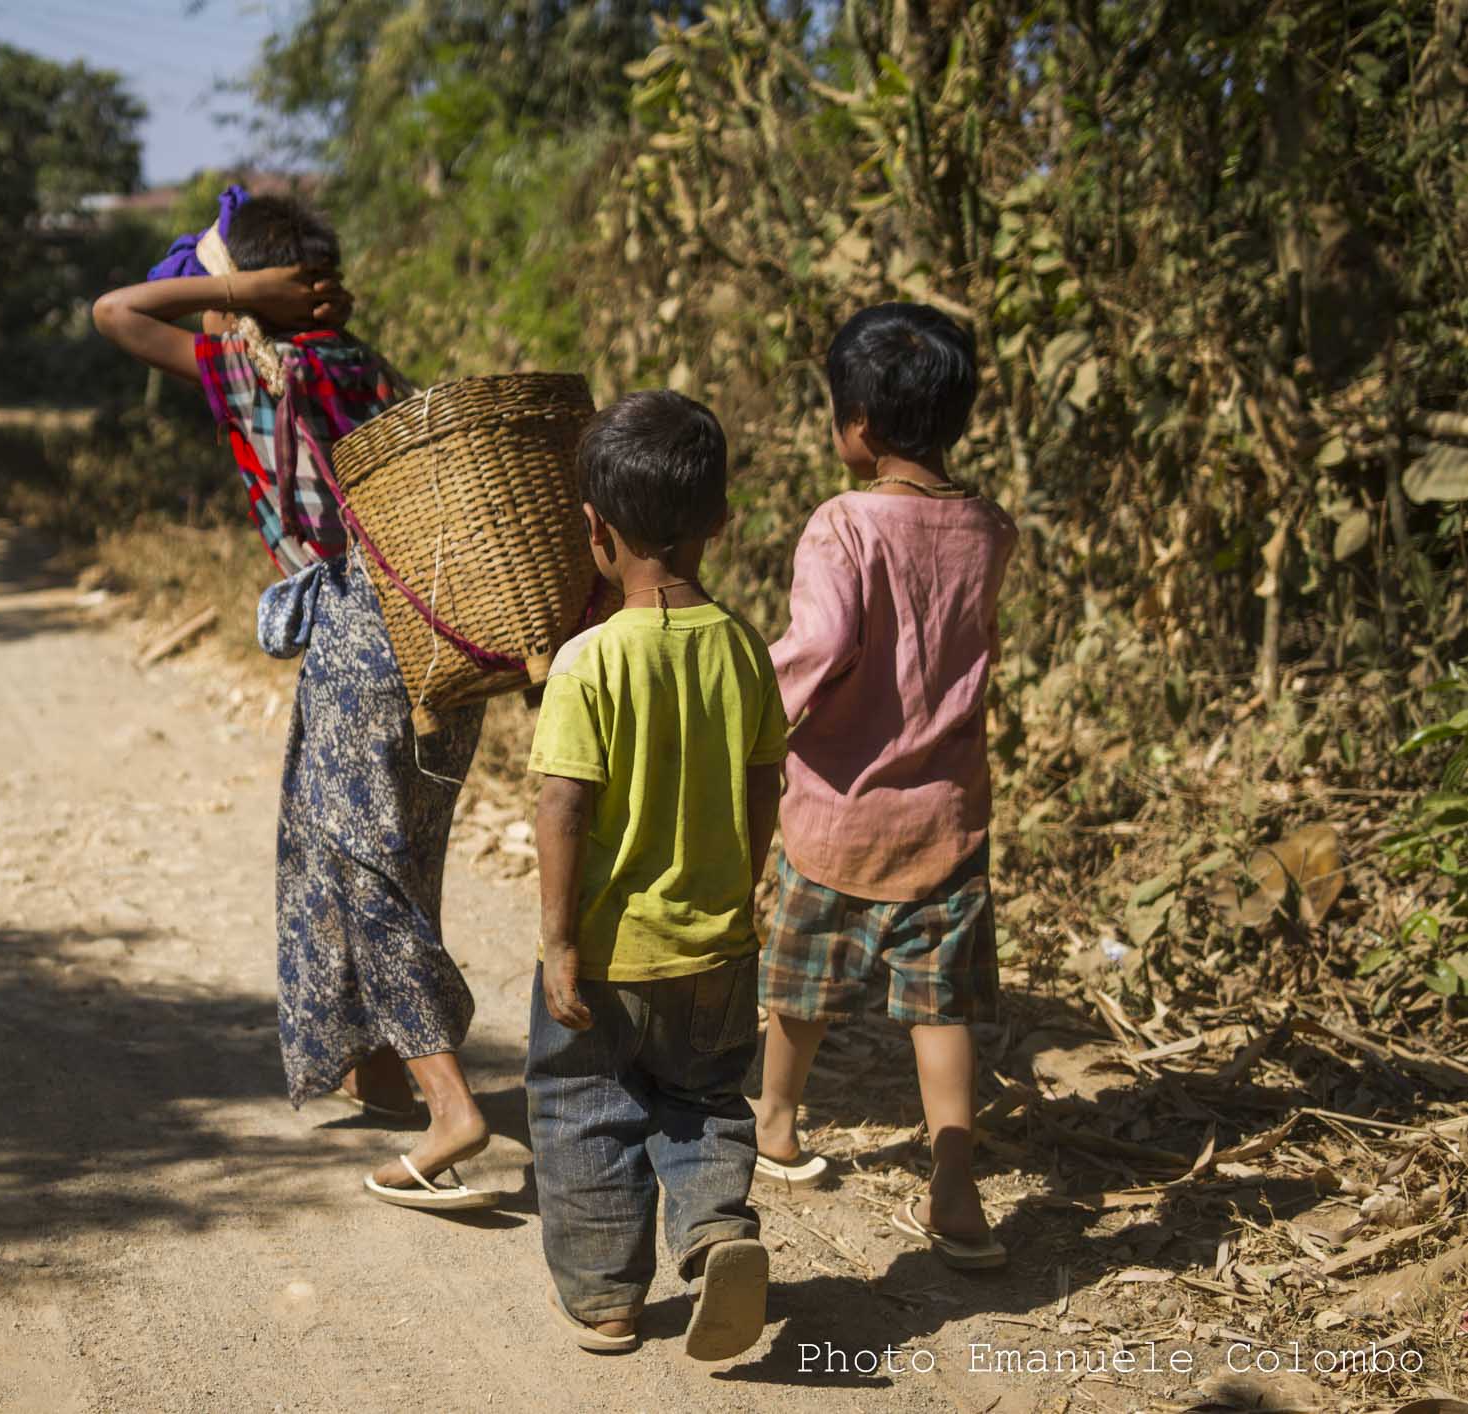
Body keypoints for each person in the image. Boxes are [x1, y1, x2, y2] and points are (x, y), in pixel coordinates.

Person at [92, 191, 498, 1210]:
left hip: (362, 633)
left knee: (359, 867)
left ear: (257, 286)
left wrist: (232, 292)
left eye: (225, 281)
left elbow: (114, 312)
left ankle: (451, 1103)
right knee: (392, 849)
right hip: (440, 627)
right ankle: (382, 1067)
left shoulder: (261, 366)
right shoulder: (361, 360)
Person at [751, 302, 1017, 1270]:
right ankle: (955, 1187)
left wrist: (750, 708)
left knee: (801, 982)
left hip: (838, 807)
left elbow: (818, 646)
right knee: (940, 1004)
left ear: (855, 423)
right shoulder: (990, 526)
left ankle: (776, 1123)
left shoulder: (843, 523)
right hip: (946, 811)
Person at [527, 390, 785, 1358]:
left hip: (603, 955)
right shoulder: (746, 648)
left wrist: (558, 942)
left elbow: (563, 805)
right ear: (720, 521)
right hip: (717, 947)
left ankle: (606, 1298)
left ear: (594, 532)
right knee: (707, 1099)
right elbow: (766, 783)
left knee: (583, 1109)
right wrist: (741, 887)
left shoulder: (587, 662)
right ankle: (717, 1229)